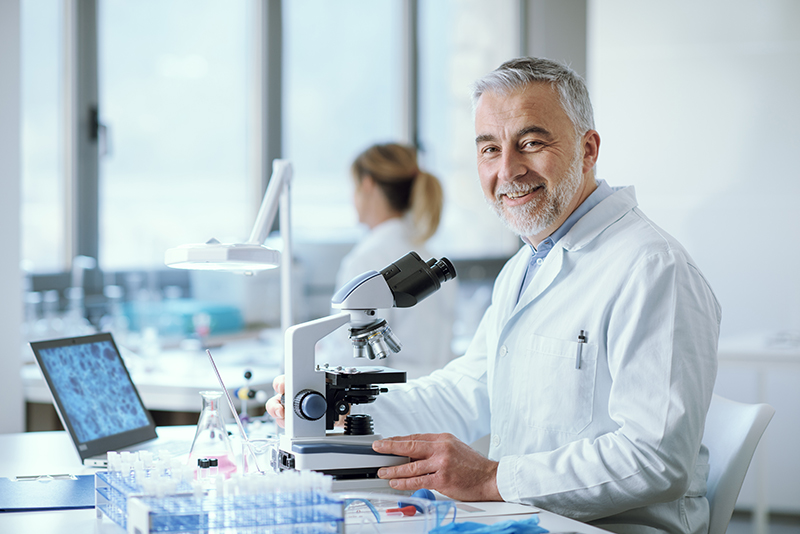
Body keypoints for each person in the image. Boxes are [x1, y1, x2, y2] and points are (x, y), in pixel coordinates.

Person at [269, 57, 720, 534]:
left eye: (530, 142)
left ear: (588, 150)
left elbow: (656, 459)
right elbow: (466, 391)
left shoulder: (651, 268)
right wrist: (342, 408)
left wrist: (492, 477)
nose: (507, 169)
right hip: (526, 517)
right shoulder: (525, 266)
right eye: (489, 148)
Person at [319, 143, 458, 379]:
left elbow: (350, 362)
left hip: (390, 400)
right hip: (434, 396)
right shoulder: (428, 254)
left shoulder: (365, 261)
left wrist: (318, 355)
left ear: (367, 184)